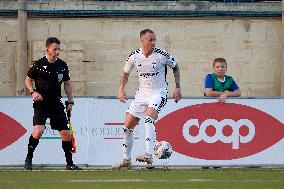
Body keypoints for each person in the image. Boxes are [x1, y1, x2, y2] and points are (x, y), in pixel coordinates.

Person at [112, 29, 182, 169]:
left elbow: (175, 67)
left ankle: (149, 154)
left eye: (155, 39)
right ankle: (126, 160)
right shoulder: (134, 56)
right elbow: (125, 74)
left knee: (148, 119)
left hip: (158, 93)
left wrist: (177, 87)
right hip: (141, 95)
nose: (153, 42)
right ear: (142, 41)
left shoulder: (162, 55)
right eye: (150, 40)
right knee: (126, 128)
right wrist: (121, 90)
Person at [24, 37, 80, 170]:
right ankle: (29, 158)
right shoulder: (38, 64)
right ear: (47, 49)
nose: (57, 52)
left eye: (58, 49)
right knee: (39, 130)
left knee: (66, 133)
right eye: (54, 49)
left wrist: (70, 101)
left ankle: (69, 163)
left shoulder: (62, 65)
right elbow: (27, 80)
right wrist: (33, 92)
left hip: (56, 103)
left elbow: (67, 84)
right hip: (41, 103)